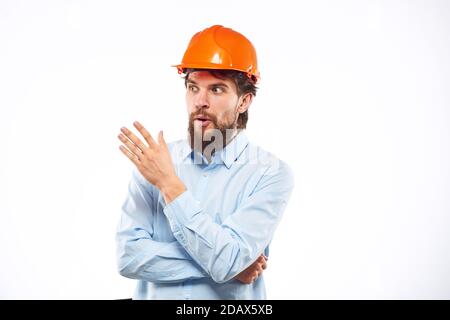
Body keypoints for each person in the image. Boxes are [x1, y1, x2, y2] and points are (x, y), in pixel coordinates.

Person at [116, 25, 295, 300]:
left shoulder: (270, 173)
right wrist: (227, 265)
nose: (200, 101)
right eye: (193, 87)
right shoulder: (154, 161)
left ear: (244, 101)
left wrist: (168, 184)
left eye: (217, 89)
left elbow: (230, 260)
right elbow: (128, 258)